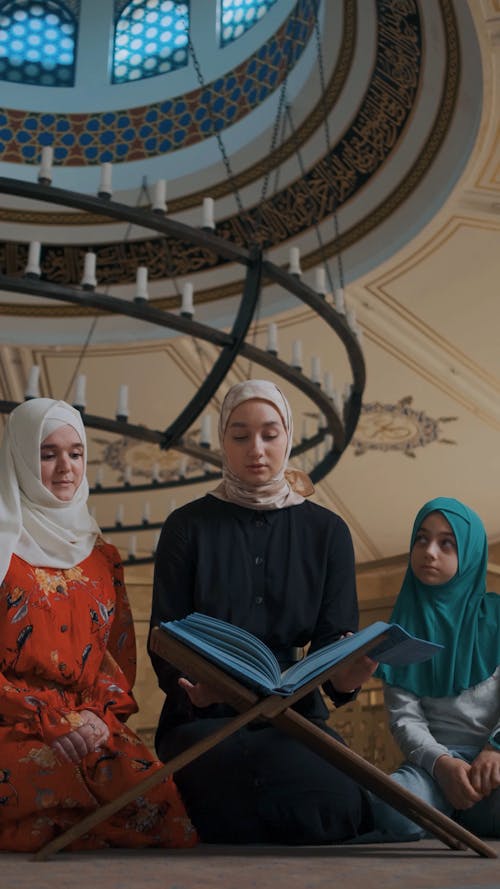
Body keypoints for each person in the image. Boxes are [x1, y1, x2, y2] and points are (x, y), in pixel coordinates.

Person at [149, 379, 377, 845]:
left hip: (297, 717)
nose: (256, 449)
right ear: (222, 442)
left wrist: (347, 678)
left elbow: (335, 640)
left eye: (270, 435)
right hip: (204, 719)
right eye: (240, 435)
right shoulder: (185, 526)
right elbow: (164, 636)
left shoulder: (328, 532)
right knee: (230, 790)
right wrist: (192, 687)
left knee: (337, 807)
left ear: (288, 437)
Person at [0, 397, 197, 853]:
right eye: (47, 454)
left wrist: (96, 717)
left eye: (76, 453)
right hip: (12, 718)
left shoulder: (101, 557)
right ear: (20, 458)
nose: (65, 467)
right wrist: (43, 718)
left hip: (88, 723)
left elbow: (114, 658)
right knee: (46, 787)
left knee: (160, 804)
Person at [372, 497, 500, 840]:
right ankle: (461, 813)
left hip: (494, 764)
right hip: (431, 769)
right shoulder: (397, 633)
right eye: (421, 539)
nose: (430, 552)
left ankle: (457, 815)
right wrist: (442, 765)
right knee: (385, 806)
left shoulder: (498, 618)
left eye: (447, 544)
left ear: (470, 554)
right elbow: (406, 720)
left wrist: (495, 749)